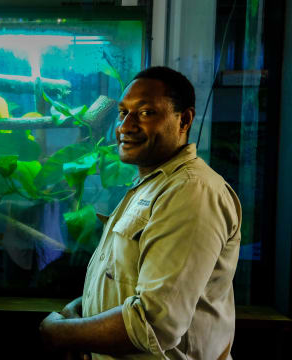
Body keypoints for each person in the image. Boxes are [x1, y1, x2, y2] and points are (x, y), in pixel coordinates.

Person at [40, 66, 241, 360]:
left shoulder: (190, 193)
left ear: (183, 120)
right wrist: (79, 311)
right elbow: (127, 281)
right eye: (123, 113)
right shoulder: (152, 185)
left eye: (145, 113)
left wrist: (57, 333)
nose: (125, 125)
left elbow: (154, 324)